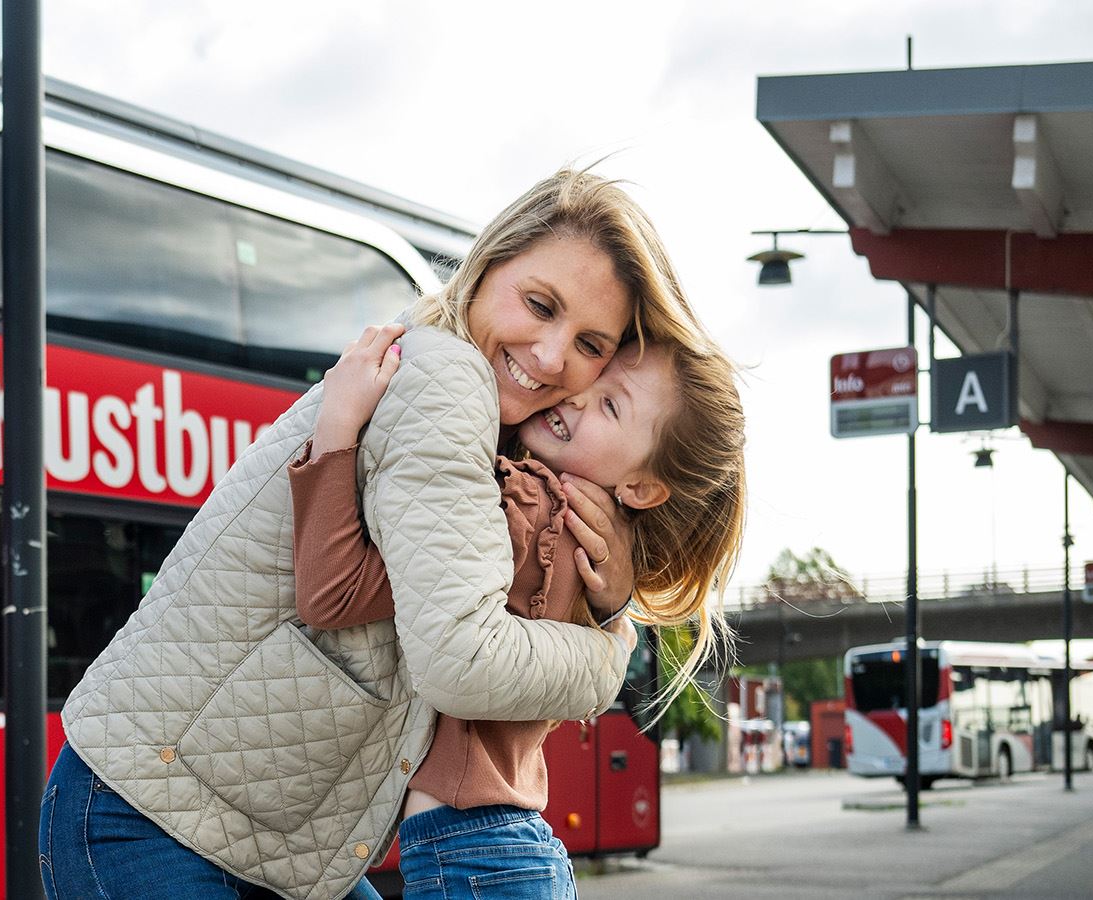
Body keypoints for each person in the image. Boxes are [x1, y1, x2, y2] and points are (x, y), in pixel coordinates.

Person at [42, 169, 708, 900]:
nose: (551, 357)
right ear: (488, 265)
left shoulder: (493, 430)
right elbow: (462, 659)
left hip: (225, 823)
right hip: (149, 814)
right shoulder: (447, 380)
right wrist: (610, 647)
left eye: (588, 343)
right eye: (539, 305)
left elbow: (347, 592)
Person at [289, 330, 743, 897]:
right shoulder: (593, 547)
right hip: (504, 847)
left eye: (610, 405)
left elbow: (335, 590)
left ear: (643, 486)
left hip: (467, 852)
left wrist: (336, 430)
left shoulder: (523, 507)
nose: (576, 395)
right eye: (595, 380)